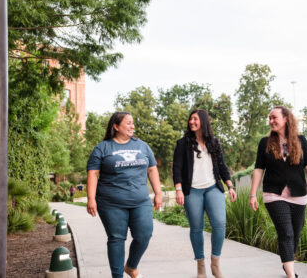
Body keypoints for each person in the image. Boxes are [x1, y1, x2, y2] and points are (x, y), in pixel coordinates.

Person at [249, 106, 307, 278]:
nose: (271, 121)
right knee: (286, 233)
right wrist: (253, 194)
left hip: (298, 194)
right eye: (269, 118)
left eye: (274, 117)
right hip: (273, 194)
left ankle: (287, 263)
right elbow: (258, 169)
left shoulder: (300, 140)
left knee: (295, 234)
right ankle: (291, 275)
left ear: (286, 119)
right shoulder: (265, 143)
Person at [86, 111, 162, 278]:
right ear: (116, 126)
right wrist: (91, 199)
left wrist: (158, 193)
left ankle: (131, 266)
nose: (132, 126)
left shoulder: (142, 146)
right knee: (116, 238)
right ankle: (117, 275)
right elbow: (93, 174)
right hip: (111, 202)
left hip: (140, 200)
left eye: (132, 123)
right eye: (128, 123)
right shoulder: (103, 148)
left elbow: (152, 169)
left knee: (144, 235)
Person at [173, 109, 237, 278]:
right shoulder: (183, 143)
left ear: (203, 121)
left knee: (219, 225)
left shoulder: (214, 142)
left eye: (195, 119)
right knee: (196, 228)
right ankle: (201, 267)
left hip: (213, 188)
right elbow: (177, 168)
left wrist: (230, 186)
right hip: (191, 190)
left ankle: (215, 263)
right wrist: (178, 189)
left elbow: (222, 166)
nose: (191, 122)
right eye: (190, 119)